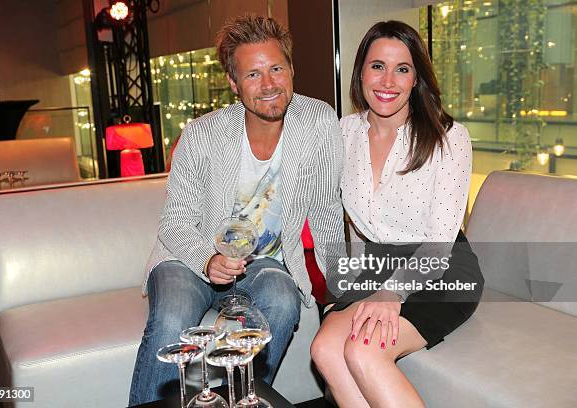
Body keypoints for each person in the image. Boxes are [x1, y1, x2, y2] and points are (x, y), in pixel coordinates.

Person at [129, 14, 345, 405]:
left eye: (277, 68)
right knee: (174, 315)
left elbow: (328, 211)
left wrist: (342, 292)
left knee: (283, 299)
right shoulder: (202, 134)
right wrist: (207, 259)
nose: (268, 85)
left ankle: (235, 400)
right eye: (252, 74)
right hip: (188, 258)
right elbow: (175, 222)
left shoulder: (318, 121)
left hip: (261, 264)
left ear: (292, 69)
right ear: (233, 83)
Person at [310, 20, 484, 407]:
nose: (388, 80)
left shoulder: (448, 136)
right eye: (377, 66)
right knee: (324, 349)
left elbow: (440, 243)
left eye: (402, 69)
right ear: (360, 72)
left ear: (415, 78)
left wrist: (393, 292)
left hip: (440, 267)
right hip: (376, 264)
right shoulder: (343, 133)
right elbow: (353, 228)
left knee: (363, 351)